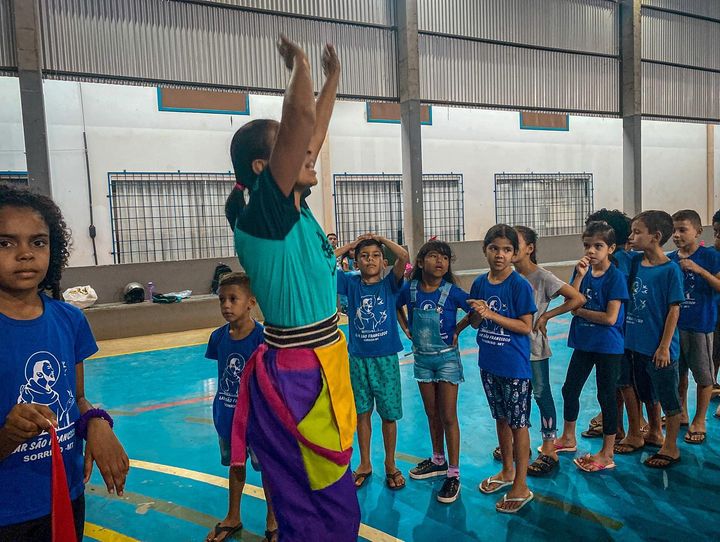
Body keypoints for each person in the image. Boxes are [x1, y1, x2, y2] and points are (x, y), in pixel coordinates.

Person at [226, 37, 360, 541]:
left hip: (322, 360)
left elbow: (312, 129)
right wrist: (300, 67)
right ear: (265, 169)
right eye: (294, 148)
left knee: (324, 494)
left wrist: (331, 79)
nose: (310, 153)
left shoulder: (293, 211)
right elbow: (301, 120)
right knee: (321, 501)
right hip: (299, 375)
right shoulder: (265, 218)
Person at [0, 184, 128, 540]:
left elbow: (76, 399)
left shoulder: (70, 320)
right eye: (6, 243)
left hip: (64, 496)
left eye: (38, 242)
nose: (25, 254)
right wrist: (9, 435)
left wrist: (96, 422)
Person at [397, 240, 471, 504]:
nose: (440, 261)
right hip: (422, 360)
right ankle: (438, 460)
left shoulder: (452, 292)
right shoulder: (410, 289)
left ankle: (454, 473)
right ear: (420, 262)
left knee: (448, 415)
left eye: (445, 257)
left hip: (447, 359)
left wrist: (458, 328)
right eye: (434, 256)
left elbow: (475, 310)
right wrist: (406, 328)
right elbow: (395, 304)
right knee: (432, 413)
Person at [204, 272, 277, 542]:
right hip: (227, 417)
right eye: (222, 299)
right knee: (235, 466)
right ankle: (233, 516)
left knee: (267, 469)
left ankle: (273, 520)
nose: (226, 305)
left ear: (251, 303)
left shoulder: (263, 338)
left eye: (233, 299)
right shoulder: (218, 337)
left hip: (258, 420)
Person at [554, 222, 629, 472]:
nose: (591, 251)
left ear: (611, 248)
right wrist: (578, 276)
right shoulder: (583, 272)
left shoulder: (615, 278)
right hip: (584, 343)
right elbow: (571, 300)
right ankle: (568, 437)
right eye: (587, 245)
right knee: (569, 389)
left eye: (598, 246)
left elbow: (610, 318)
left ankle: (607, 452)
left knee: (606, 395)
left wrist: (580, 312)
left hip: (607, 346)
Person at [472, 225, 536, 513]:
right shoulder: (479, 283)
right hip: (489, 364)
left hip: (514, 368)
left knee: (518, 424)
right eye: (494, 248)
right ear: (485, 250)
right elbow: (477, 322)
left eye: (507, 250)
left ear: (515, 253)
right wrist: (475, 314)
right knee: (501, 418)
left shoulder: (519, 285)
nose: (500, 255)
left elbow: (525, 326)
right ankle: (507, 470)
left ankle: (521, 485)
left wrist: (491, 314)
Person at [510, 226, 585, 476]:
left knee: (541, 394)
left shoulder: (543, 277)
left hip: (534, 348)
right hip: (511, 349)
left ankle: (550, 447)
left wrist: (546, 316)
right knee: (517, 398)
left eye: (515, 244)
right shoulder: (507, 277)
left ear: (530, 248)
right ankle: (519, 443)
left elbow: (577, 298)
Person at [336, 234, 409, 490]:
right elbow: (324, 262)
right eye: (364, 256)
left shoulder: (390, 284)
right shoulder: (350, 283)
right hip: (358, 360)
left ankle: (390, 464)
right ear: (356, 262)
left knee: (389, 415)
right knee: (362, 413)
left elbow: (404, 256)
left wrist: (380, 239)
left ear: (383, 262)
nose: (370, 260)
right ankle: (365, 463)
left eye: (376, 256)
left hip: (385, 359)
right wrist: (351, 245)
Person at [615, 211, 684, 468]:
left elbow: (674, 310)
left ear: (655, 236)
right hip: (634, 345)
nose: (631, 237)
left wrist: (664, 346)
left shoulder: (670, 270)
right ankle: (650, 434)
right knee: (644, 392)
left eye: (637, 232)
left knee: (668, 398)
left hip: (658, 349)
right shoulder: (634, 262)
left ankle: (671, 446)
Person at [581, 209, 637, 440]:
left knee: (624, 382)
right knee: (615, 384)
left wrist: (580, 311)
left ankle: (635, 430)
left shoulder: (618, 263)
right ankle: (616, 424)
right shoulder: (621, 259)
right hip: (618, 331)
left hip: (618, 332)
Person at [668, 210, 720, 445]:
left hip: (700, 325)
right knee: (678, 374)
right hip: (675, 327)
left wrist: (699, 270)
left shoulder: (710, 256)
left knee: (703, 375)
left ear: (698, 232)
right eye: (674, 230)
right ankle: (681, 413)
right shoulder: (670, 259)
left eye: (682, 230)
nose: (676, 235)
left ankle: (699, 420)